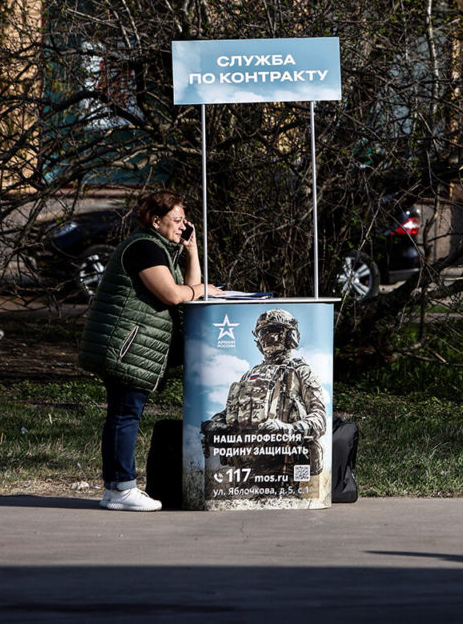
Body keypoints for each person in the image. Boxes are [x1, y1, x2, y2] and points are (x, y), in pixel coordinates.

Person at [79, 190, 222, 511]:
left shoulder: (158, 247)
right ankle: (119, 490)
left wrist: (192, 251)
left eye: (184, 220)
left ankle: (117, 488)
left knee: (125, 411)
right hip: (125, 346)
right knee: (124, 413)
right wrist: (203, 290)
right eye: (176, 220)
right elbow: (173, 294)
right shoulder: (143, 248)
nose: (182, 225)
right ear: (155, 221)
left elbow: (190, 291)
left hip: (133, 346)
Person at [201, 308, 328, 493]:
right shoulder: (250, 374)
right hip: (243, 472)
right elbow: (232, 411)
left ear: (290, 335)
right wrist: (214, 424)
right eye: (263, 331)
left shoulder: (301, 371)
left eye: (274, 329)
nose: (267, 335)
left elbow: (319, 418)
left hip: (284, 469)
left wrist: (288, 429)